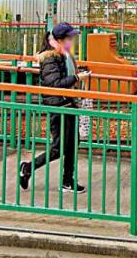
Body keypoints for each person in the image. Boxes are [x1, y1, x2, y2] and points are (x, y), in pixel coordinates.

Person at [19, 23, 89, 194]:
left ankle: (68, 181)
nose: (72, 42)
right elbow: (55, 84)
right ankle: (28, 168)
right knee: (59, 147)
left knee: (73, 143)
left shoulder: (62, 54)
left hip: (68, 103)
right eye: (69, 38)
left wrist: (76, 77)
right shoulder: (50, 57)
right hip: (58, 105)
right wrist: (76, 78)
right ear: (59, 39)